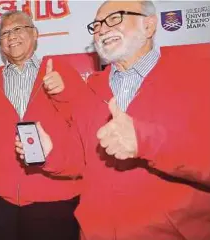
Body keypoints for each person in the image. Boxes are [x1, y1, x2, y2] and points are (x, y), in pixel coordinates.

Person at [17, 0, 210, 239]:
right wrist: (50, 153)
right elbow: (81, 160)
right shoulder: (91, 89)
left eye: (114, 18)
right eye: (96, 25)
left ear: (148, 26)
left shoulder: (198, 75)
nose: (102, 29)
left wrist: (146, 141)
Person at [0, 10, 85, 240]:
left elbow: (84, 129)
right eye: (5, 33)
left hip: (54, 199)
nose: (11, 36)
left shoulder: (61, 72)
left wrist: (66, 92)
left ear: (35, 34)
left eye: (18, 29)